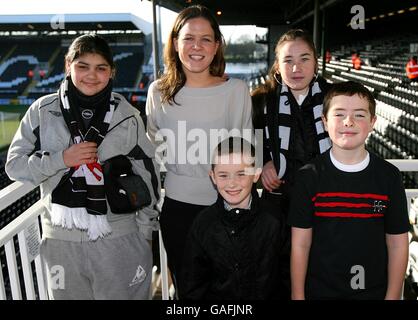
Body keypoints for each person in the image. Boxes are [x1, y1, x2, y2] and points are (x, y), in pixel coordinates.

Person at [6, 34, 160, 300]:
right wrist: (61, 159)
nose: (92, 75)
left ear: (111, 72)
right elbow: (14, 166)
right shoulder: (42, 111)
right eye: (82, 66)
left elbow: (149, 173)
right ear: (68, 66)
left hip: (119, 238)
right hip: (61, 242)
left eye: (101, 68)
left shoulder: (127, 116)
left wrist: (145, 232)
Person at [146, 5, 253, 299]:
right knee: (188, 292)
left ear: (216, 45)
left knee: (232, 292)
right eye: (189, 38)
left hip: (227, 208)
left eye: (206, 39)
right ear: (176, 43)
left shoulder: (237, 91)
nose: (197, 46)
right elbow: (151, 153)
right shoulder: (157, 92)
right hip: (177, 211)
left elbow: (246, 152)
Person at [288, 81, 409, 300]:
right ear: (324, 121)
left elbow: (397, 243)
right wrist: (298, 296)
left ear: (373, 122)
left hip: (374, 293)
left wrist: (392, 297)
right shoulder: (308, 176)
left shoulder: (389, 176)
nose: (348, 122)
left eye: (360, 115)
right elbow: (301, 243)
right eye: (339, 114)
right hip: (320, 293)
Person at [251, 29, 331, 299]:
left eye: (304, 59)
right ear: (277, 65)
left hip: (326, 203)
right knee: (279, 277)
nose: (296, 68)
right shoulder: (260, 101)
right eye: (288, 60)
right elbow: (246, 143)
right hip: (279, 205)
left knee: (323, 273)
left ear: (316, 63)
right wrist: (262, 163)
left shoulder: (334, 98)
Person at [181, 136, 284, 300]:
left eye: (241, 174)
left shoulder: (274, 220)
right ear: (213, 177)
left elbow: (285, 278)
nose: (232, 183)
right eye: (223, 175)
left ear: (256, 174)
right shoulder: (203, 224)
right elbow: (193, 285)